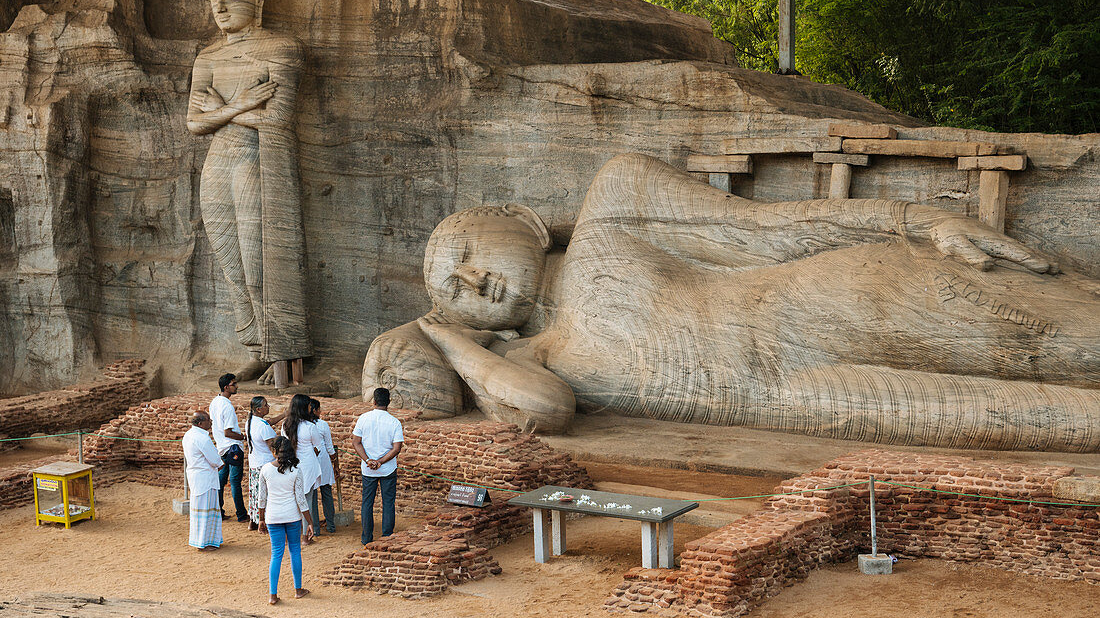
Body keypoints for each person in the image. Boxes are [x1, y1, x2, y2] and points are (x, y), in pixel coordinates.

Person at [366, 153, 1100, 451]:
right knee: (1066, 424)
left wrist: (917, 220)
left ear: (519, 218)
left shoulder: (614, 206)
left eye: (464, 251)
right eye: (451, 292)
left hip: (849, 299)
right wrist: (451, 340)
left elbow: (773, 229)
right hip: (804, 394)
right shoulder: (534, 360)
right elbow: (544, 412)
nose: (470, 281)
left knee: (1078, 340)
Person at [186, 0, 310, 382]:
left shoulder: (281, 48)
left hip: (257, 161)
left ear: (257, 3)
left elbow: (278, 119)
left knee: (258, 261)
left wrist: (219, 109)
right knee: (230, 262)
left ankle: (281, 349)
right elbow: (194, 123)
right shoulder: (208, 57)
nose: (219, 7)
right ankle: (255, 345)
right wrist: (240, 105)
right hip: (218, 163)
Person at [257, 436, 314, 604]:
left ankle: (272, 595)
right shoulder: (296, 470)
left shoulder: (265, 469)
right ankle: (298, 589)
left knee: (276, 554)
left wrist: (261, 519)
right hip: (292, 516)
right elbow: (301, 499)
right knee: (295, 551)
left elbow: (262, 498)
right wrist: (309, 522)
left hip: (273, 517)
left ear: (274, 452)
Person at [352, 387, 403, 545]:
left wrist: (368, 460)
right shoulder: (394, 422)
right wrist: (381, 462)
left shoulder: (363, 418)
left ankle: (367, 537)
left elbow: (356, 442)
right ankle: (387, 536)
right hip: (387, 468)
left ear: (373, 401)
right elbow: (397, 448)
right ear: (389, 402)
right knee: (388, 502)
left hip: (368, 468)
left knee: (367, 502)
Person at [281, 394, 322, 543]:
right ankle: (305, 536)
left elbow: (285, 446)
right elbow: (317, 447)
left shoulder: (285, 425)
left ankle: (289, 536)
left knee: (291, 501)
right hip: (308, 465)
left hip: (292, 465)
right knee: (307, 501)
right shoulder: (310, 426)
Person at [182, 411, 223, 551]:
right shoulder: (202, 438)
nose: (211, 422)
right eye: (208, 420)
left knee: (199, 510)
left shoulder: (188, 435)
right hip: (205, 478)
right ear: (200, 423)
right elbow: (215, 460)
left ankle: (202, 540)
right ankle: (204, 542)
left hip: (196, 476)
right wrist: (222, 462)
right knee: (206, 510)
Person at [209, 373, 247, 522]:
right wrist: (243, 437)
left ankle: (219, 511)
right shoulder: (227, 406)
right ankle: (242, 515)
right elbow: (228, 432)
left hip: (222, 448)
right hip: (233, 448)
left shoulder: (215, 402)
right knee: (235, 482)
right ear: (226, 387)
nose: (236, 386)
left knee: (221, 481)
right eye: (234, 384)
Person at [244, 395, 285, 531]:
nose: (268, 407)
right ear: (259, 409)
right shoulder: (262, 426)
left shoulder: (251, 421)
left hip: (255, 463)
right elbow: (273, 447)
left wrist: (283, 415)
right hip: (265, 464)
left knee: (256, 492)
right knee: (266, 494)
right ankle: (265, 522)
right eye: (266, 405)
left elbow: (269, 422)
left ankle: (253, 520)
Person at [309, 398, 338, 535]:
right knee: (326, 493)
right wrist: (334, 461)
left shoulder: (303, 425)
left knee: (313, 496)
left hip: (311, 462)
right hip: (323, 461)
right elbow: (329, 446)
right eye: (319, 409)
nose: (320, 412)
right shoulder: (322, 425)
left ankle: (315, 528)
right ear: (314, 410)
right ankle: (331, 525)